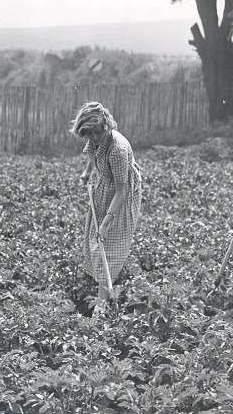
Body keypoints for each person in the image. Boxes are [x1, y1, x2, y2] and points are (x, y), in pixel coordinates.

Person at [70, 102, 143, 313]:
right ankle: (103, 292)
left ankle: (101, 308)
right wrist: (87, 172)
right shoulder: (96, 138)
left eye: (95, 133)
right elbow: (92, 154)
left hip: (122, 196)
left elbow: (121, 191)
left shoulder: (117, 150)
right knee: (96, 241)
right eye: (88, 135)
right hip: (104, 187)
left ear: (105, 127)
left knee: (108, 245)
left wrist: (105, 223)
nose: (92, 138)